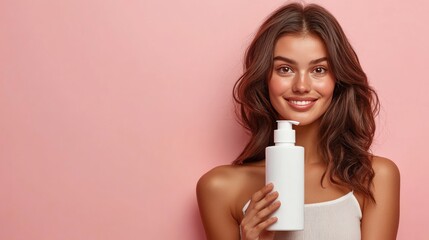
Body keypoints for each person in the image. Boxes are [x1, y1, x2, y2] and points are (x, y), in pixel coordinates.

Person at [196, 2, 400, 240]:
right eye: (285, 69)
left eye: (319, 70)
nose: (301, 86)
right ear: (264, 78)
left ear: (338, 80)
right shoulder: (219, 189)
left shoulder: (374, 178)